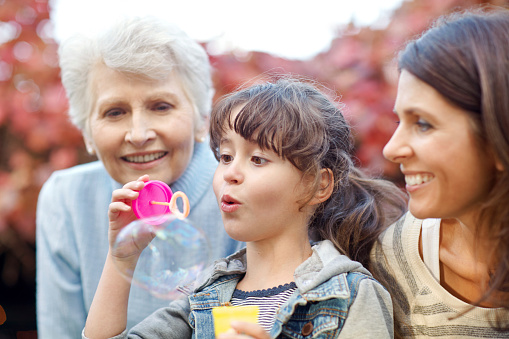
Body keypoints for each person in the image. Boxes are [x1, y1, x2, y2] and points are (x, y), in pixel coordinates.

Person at [82, 78, 407, 338]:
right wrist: (121, 256)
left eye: (257, 159)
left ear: (317, 185)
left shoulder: (350, 295)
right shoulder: (203, 297)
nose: (230, 173)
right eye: (225, 157)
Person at [35, 16, 242, 339]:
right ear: (87, 132)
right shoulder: (65, 198)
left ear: (202, 119)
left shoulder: (241, 189)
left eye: (161, 106)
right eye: (114, 112)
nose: (139, 134)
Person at [370, 7, 509, 338]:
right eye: (398, 121)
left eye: (422, 123)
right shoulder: (398, 258)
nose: (391, 149)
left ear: (497, 137)